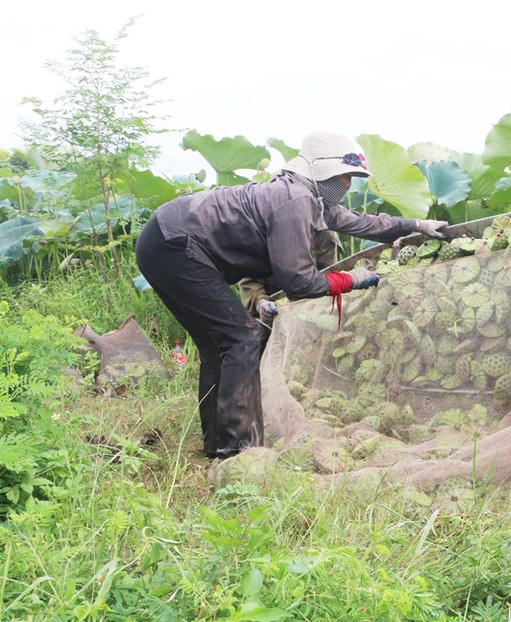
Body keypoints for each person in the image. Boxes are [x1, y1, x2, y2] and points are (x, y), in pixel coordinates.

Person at [135, 131, 448, 459]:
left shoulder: (310, 199)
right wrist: (351, 279)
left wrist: (415, 224)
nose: (348, 184)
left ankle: (219, 445)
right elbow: (299, 282)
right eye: (345, 176)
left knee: (220, 345)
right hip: (174, 245)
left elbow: (361, 222)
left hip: (164, 238)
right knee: (242, 337)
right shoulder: (295, 200)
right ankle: (238, 452)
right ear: (323, 173)